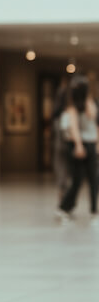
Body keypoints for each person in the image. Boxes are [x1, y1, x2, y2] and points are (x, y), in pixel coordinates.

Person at [56, 74, 99, 223]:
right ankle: (64, 207)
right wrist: (79, 146)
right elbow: (73, 128)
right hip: (78, 145)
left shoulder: (91, 103)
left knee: (94, 179)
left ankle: (94, 210)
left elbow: (95, 122)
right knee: (77, 180)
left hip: (91, 143)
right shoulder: (72, 107)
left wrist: (97, 144)